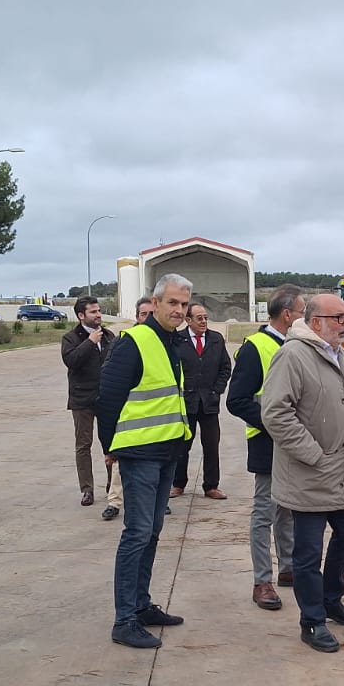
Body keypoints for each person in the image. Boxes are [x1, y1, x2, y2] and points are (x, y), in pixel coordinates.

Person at [260, 293, 344, 653]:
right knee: (307, 554)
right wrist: (313, 454)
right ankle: (312, 621)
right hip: (309, 473)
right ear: (316, 321)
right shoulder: (292, 356)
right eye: (340, 317)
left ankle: (330, 598)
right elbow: (275, 413)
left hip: (343, 472)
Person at [96, 274, 192, 648]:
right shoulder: (135, 341)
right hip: (139, 454)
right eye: (172, 303)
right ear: (154, 303)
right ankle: (124, 620)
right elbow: (107, 398)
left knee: (152, 531)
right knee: (136, 533)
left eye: (184, 304)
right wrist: (110, 447)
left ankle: (140, 605)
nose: (179, 311)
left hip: (166, 451)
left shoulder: (173, 340)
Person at [226, 284, 304, 610]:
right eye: (303, 312)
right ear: (287, 314)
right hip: (267, 443)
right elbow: (237, 401)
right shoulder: (255, 347)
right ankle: (262, 581)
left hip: (295, 443)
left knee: (288, 510)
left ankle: (288, 568)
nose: (307, 318)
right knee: (265, 513)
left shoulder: (297, 345)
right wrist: (275, 422)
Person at [63, 296, 121, 518]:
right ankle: (86, 489)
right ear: (81, 316)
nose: (98, 315)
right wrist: (89, 342)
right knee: (83, 444)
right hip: (82, 399)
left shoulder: (109, 336)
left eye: (99, 311)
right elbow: (72, 361)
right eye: (93, 312)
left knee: (110, 443)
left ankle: (111, 486)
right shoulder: (70, 338)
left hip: (106, 398)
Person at [171, 303, 231, 501]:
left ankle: (211, 486)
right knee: (182, 446)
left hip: (209, 403)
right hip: (186, 403)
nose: (204, 321)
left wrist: (216, 390)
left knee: (211, 445)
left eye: (205, 317)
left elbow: (225, 368)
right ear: (188, 320)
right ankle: (178, 484)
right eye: (199, 318)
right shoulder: (177, 340)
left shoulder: (216, 339)